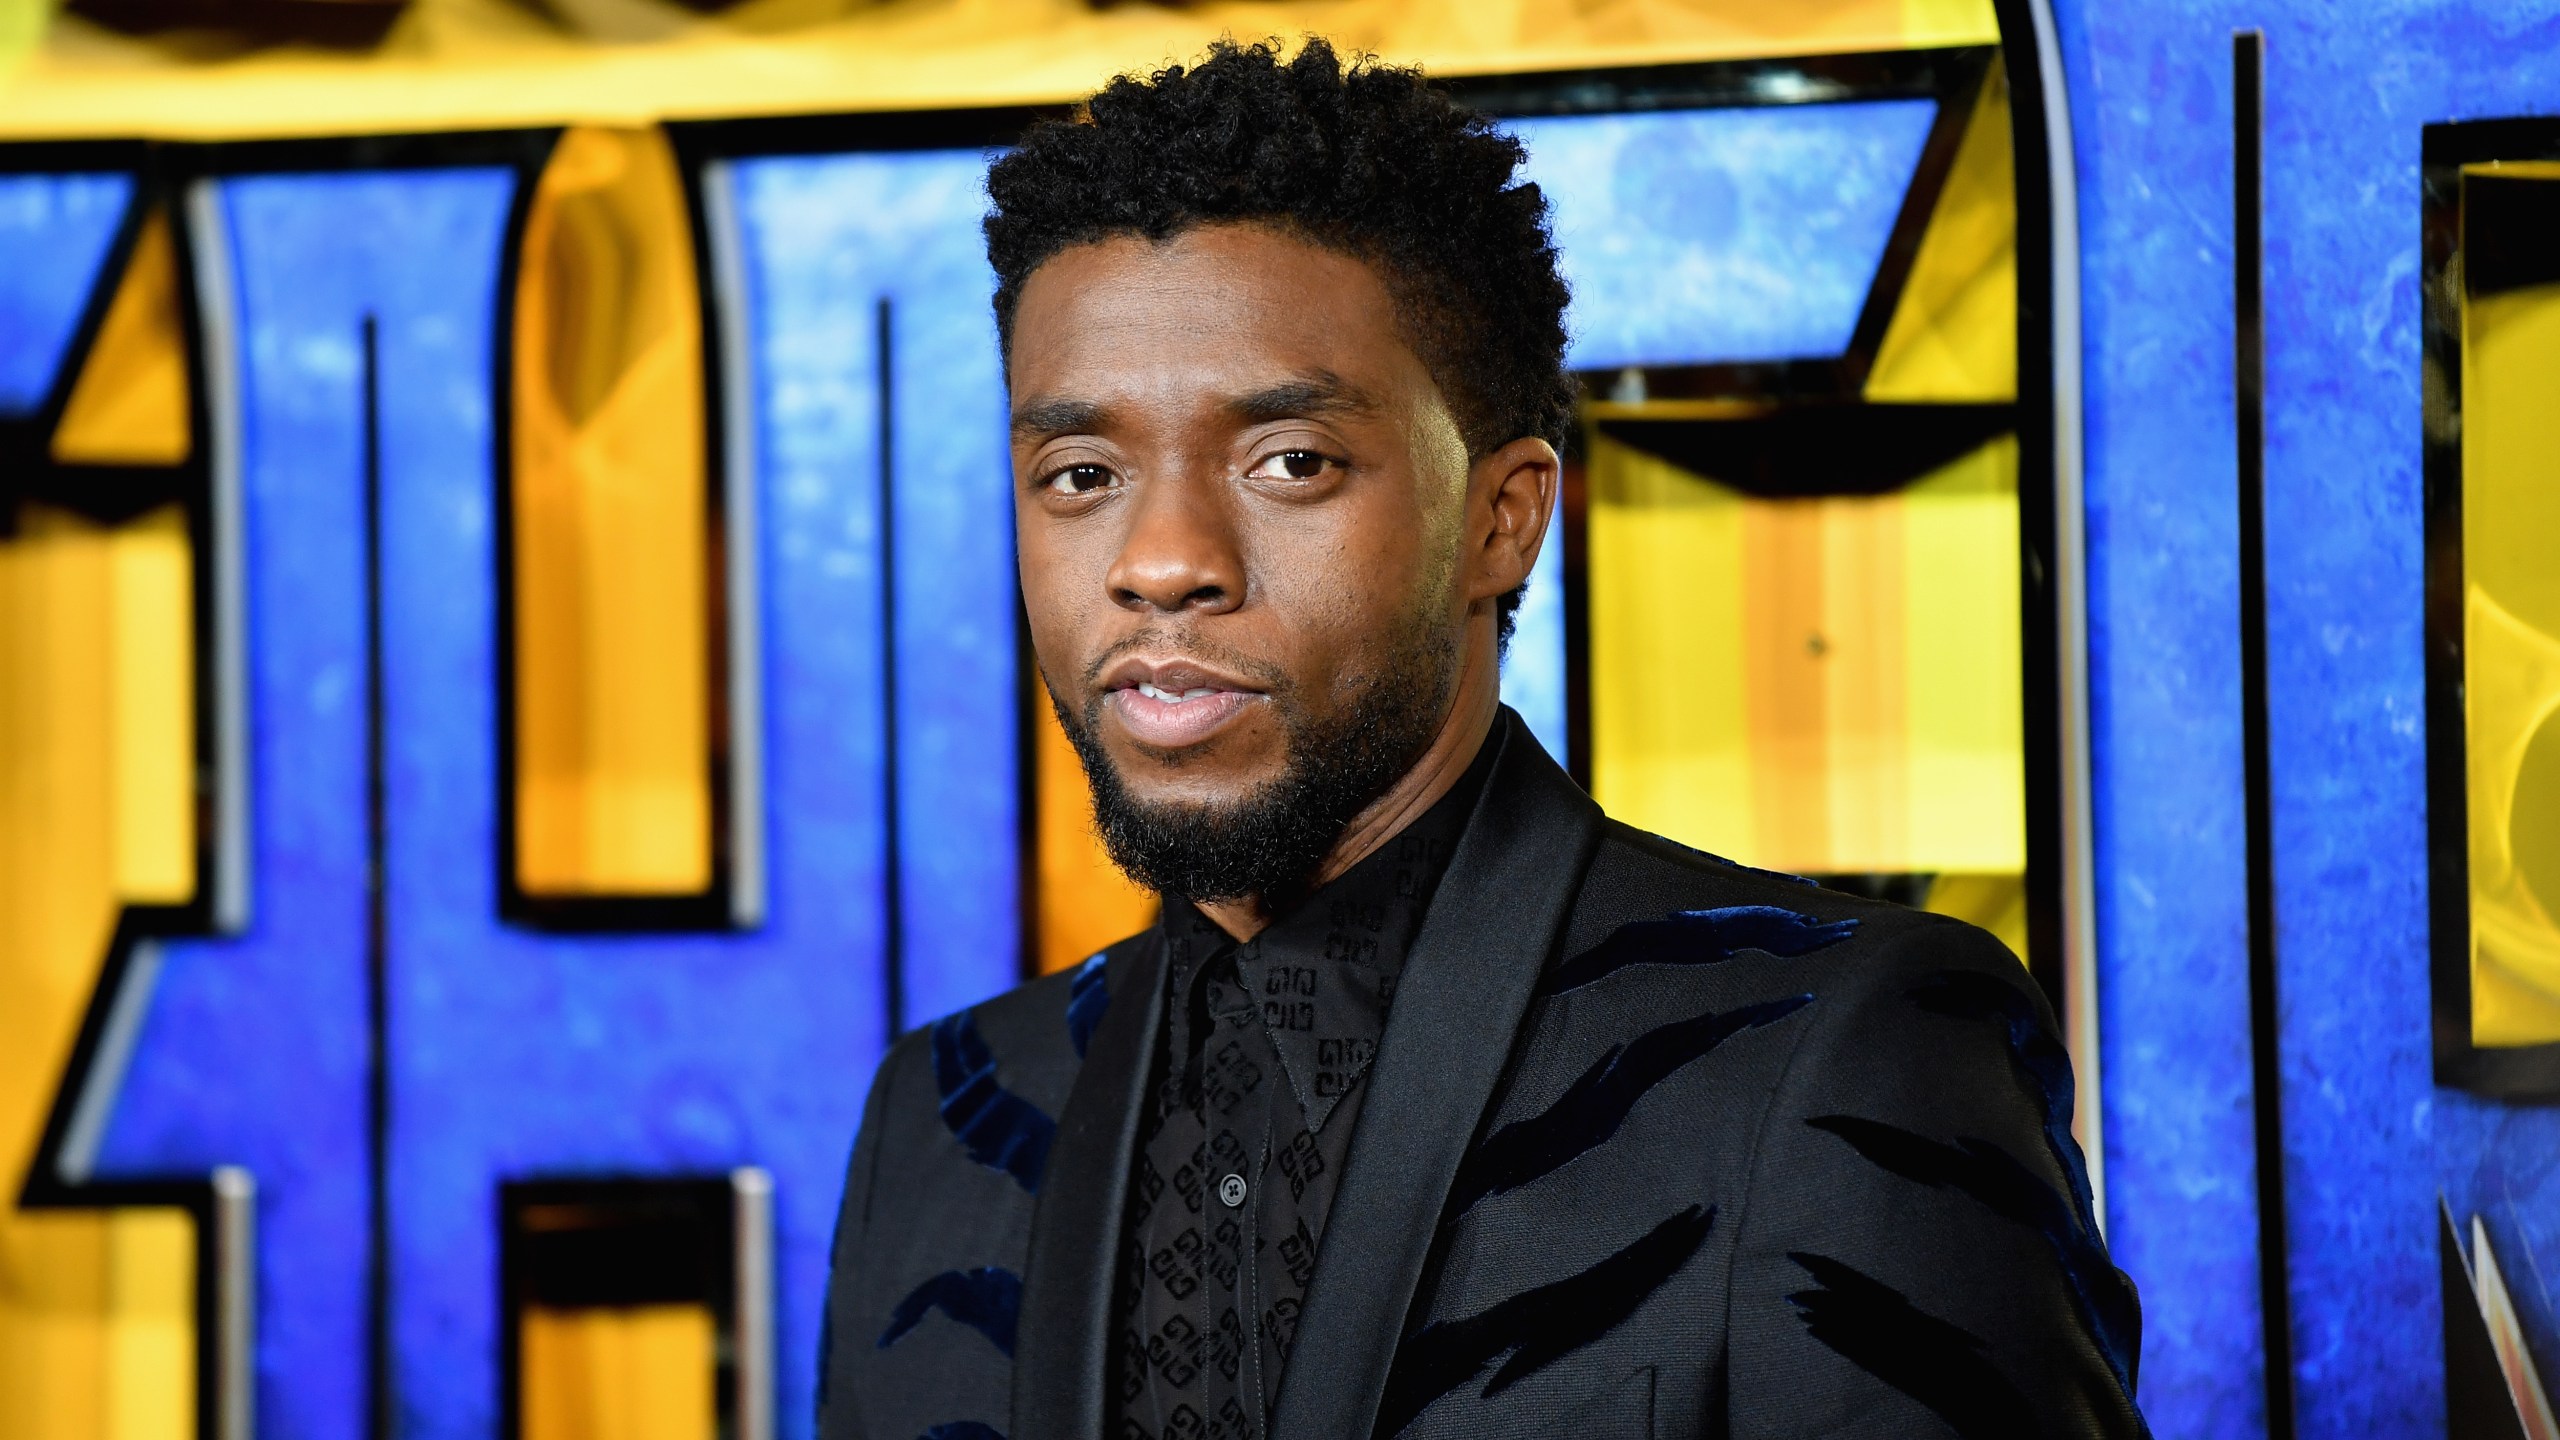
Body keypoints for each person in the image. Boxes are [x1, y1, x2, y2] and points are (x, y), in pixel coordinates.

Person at [818, 38, 2145, 1440]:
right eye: (1079, 476)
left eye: (1290, 464)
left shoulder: (1841, 1051)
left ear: (1502, 517)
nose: (1161, 561)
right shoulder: (944, 1118)